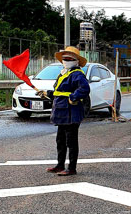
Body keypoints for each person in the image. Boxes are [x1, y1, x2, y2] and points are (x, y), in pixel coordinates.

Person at [36, 46, 91, 177]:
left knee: (71, 141)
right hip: (61, 111)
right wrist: (47, 93)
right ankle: (60, 165)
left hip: (71, 112)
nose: (66, 60)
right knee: (60, 140)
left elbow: (85, 89)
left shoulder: (77, 74)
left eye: (70, 58)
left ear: (76, 61)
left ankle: (72, 168)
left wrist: (74, 97)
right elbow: (59, 92)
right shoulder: (62, 73)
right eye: (65, 58)